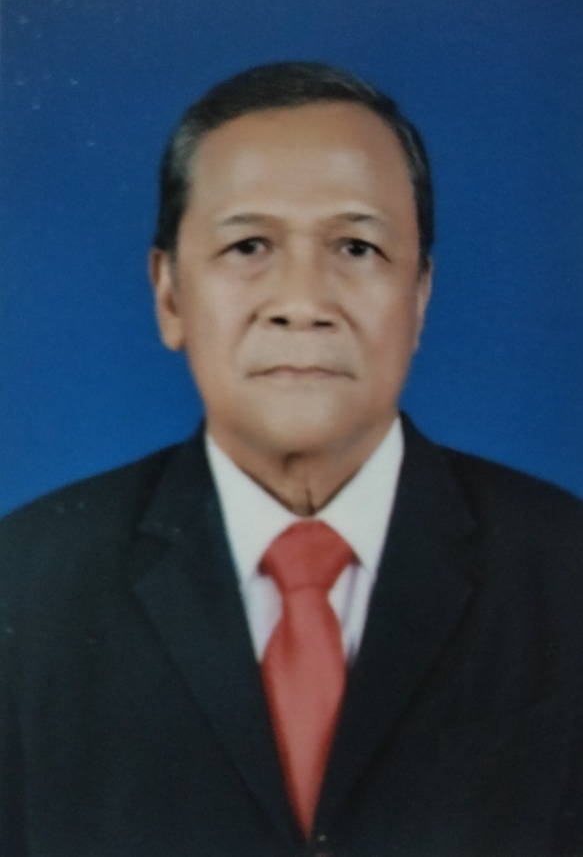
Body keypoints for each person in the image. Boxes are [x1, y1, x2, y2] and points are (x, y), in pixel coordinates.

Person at [1, 61, 582, 857]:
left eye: (356, 246)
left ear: (418, 296)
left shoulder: (566, 569)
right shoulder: (23, 586)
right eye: (248, 245)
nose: (303, 303)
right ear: (169, 294)